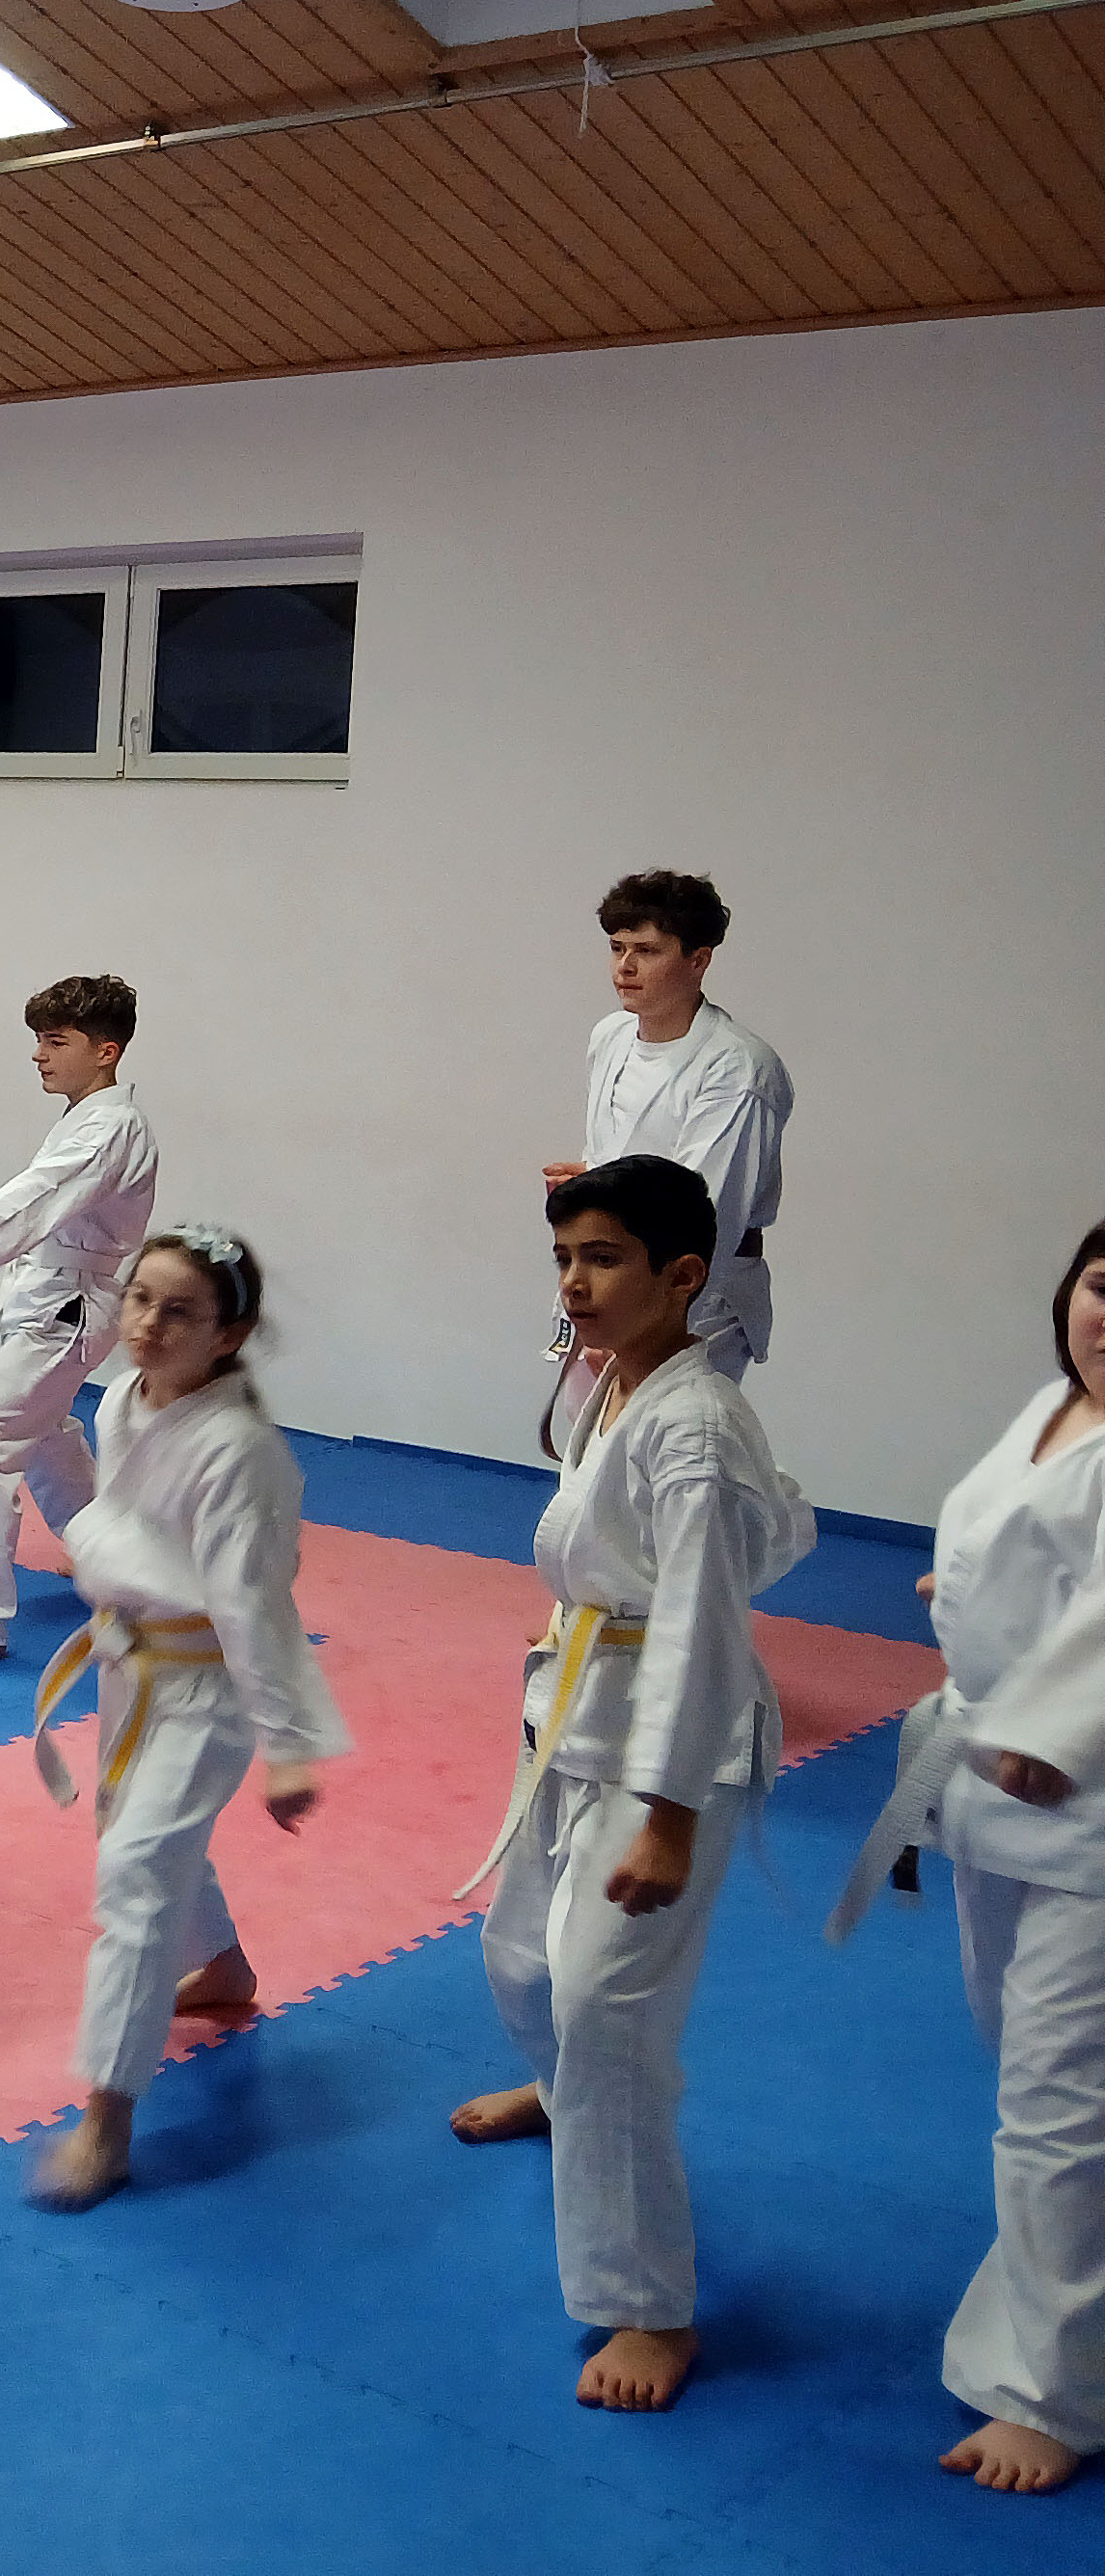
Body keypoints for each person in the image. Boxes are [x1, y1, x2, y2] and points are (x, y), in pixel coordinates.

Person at [452, 1155, 811, 2415]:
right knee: (518, 1960)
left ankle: (648, 2304)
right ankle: (566, 2101)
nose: (575, 1281)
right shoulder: (618, 1380)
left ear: (683, 1274)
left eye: (603, 1258)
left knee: (605, 2008)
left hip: (669, 1748)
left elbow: (705, 1623)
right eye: (564, 1257)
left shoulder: (695, 1422)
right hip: (572, 1708)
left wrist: (667, 1817)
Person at [842, 1221, 1105, 2495]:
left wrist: (1059, 1728)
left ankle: (1056, 2395)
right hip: (991, 1782)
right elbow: (1020, 1555)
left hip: (1083, 1802)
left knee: (1056, 2105)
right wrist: (963, 1601)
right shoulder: (1053, 1407)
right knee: (1027, 2061)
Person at [26, 1228, 353, 2208]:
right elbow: (128, 1524)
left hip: (209, 1687)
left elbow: (254, 1604)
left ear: (230, 1335)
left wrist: (287, 1747)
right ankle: (223, 1967)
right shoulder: (124, 1400)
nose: (150, 1324)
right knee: (138, 1834)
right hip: (133, 1666)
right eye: (140, 1300)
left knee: (135, 1874)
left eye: (181, 1312)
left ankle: (107, 2122)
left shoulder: (241, 1452)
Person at [0, 975, 157, 1672]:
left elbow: (37, 1195)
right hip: (45, 1299)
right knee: (46, 1439)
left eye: (56, 1041)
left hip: (67, 1307)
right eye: (39, 1040)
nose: (38, 1054)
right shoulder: (86, 1118)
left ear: (106, 1051)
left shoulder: (111, 1127)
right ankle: (121, 1567)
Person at [544, 871, 792, 1381]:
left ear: (698, 960)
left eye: (647, 951)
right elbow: (617, 1156)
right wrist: (589, 1185)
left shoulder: (737, 1068)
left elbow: (709, 1216)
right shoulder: (611, 1036)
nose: (625, 966)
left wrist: (639, 1330)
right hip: (606, 1278)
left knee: (677, 1427)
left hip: (692, 1303)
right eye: (617, 948)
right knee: (589, 1430)